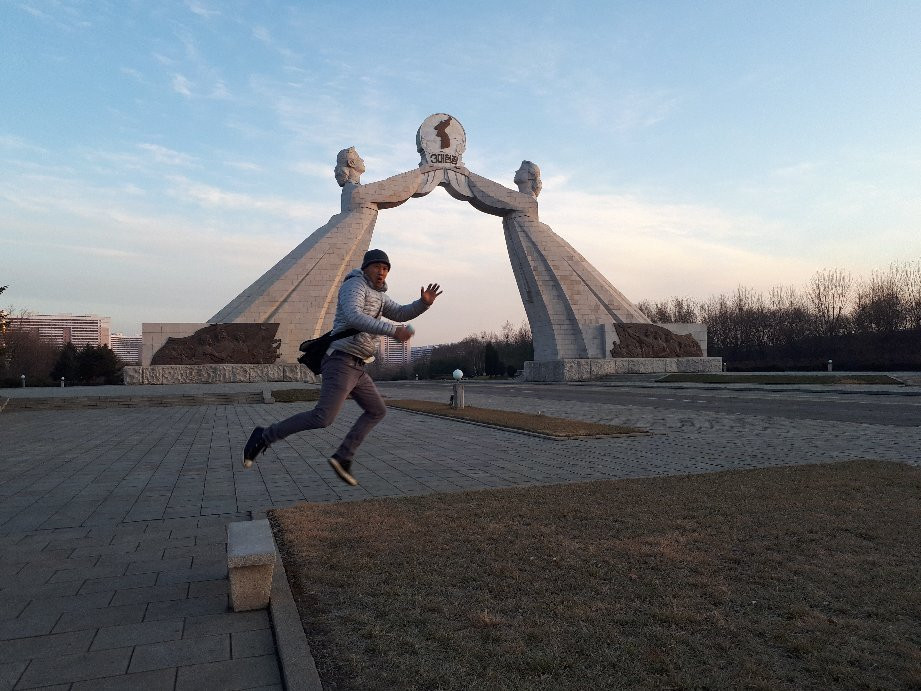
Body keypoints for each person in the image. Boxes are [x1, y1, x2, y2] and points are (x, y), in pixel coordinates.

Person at [243, 249, 442, 486]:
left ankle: (343, 457)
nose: (382, 272)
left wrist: (422, 304)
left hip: (358, 365)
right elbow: (354, 316)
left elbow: (400, 312)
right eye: (378, 267)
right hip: (341, 360)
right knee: (322, 417)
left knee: (377, 410)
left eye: (386, 268)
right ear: (366, 267)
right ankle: (264, 436)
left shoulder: (379, 296)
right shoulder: (354, 285)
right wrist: (392, 331)